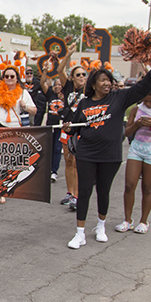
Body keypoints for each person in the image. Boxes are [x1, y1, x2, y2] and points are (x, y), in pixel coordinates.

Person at [63, 58, 151, 249]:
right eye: (102, 80)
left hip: (110, 155)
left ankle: (100, 226)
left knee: (103, 190)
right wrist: (68, 128)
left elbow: (142, 88)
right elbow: (74, 129)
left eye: (109, 80)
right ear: (93, 84)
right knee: (84, 191)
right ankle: (80, 233)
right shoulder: (84, 103)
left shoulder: (119, 97)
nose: (107, 83)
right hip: (86, 154)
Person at [118, 83, 151, 234]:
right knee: (129, 184)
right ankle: (127, 220)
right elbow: (127, 133)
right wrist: (137, 124)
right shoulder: (136, 109)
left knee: (147, 187)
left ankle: (144, 221)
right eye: (146, 101)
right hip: (137, 148)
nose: (148, 104)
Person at [0, 60, 36, 203]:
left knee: (5, 160)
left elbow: (34, 110)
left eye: (12, 76)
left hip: (11, 128)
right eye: (7, 76)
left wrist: (26, 107)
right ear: (3, 78)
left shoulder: (23, 93)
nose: (9, 79)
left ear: (17, 78)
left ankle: (2, 190)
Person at [57, 57, 89, 211]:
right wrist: (68, 54)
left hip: (81, 130)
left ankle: (77, 196)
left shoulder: (89, 90)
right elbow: (59, 70)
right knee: (68, 162)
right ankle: (69, 193)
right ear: (72, 77)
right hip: (67, 129)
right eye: (78, 75)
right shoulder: (68, 87)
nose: (82, 77)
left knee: (76, 163)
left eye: (84, 74)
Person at [39, 72, 64, 182]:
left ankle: (54, 171)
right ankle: (47, 169)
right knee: (49, 148)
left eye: (60, 85)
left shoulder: (66, 95)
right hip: (51, 125)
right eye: (56, 85)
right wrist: (45, 71)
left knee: (57, 149)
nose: (57, 87)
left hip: (61, 126)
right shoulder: (50, 94)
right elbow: (42, 82)